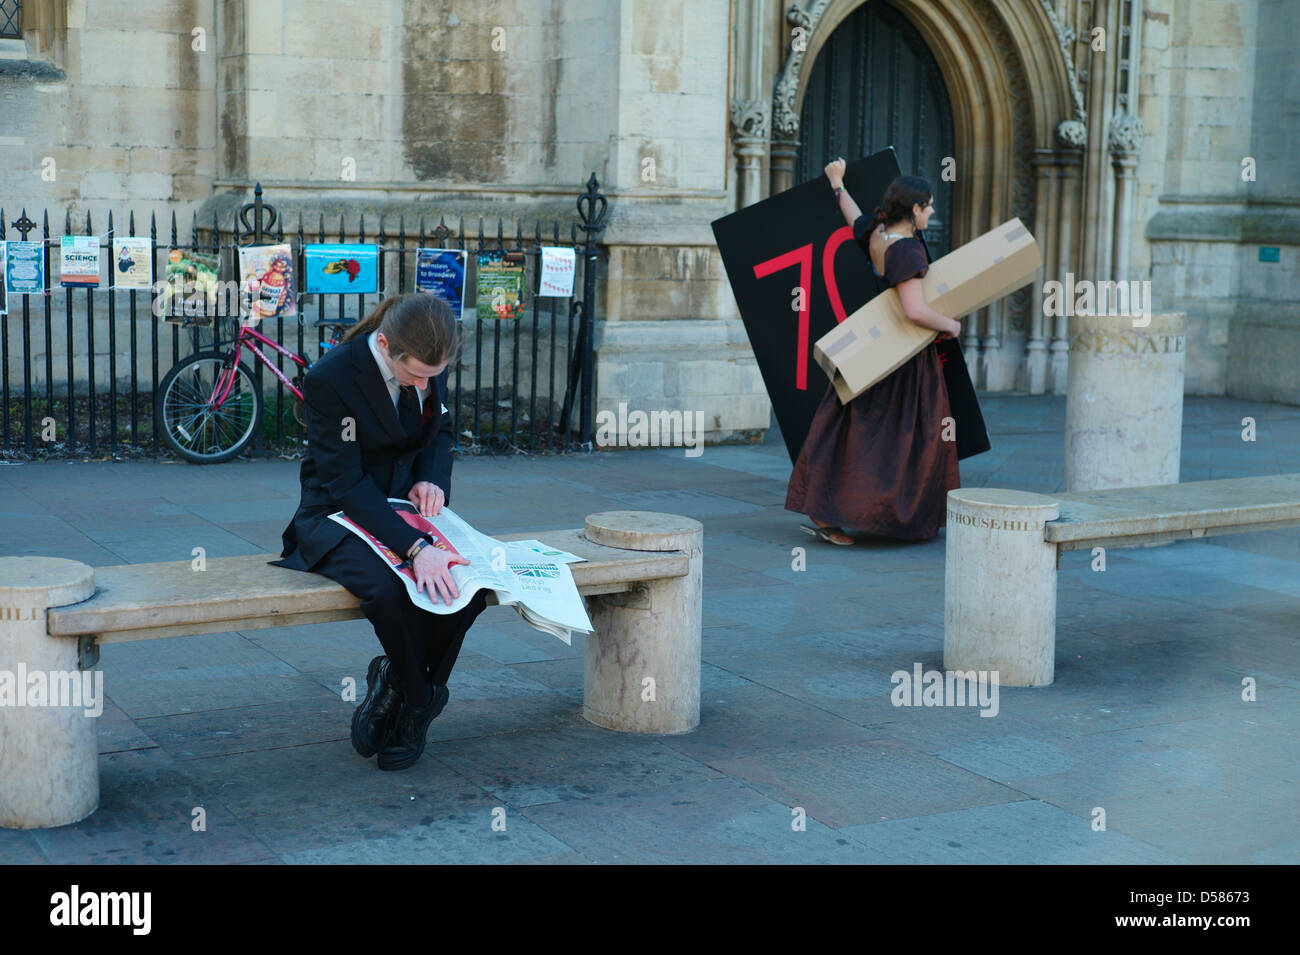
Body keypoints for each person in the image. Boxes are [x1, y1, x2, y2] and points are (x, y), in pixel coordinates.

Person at [270, 292, 488, 772]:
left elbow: (442, 432)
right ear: (386, 344)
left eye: (433, 378)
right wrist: (415, 548)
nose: (423, 386)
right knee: (391, 590)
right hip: (336, 512)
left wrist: (433, 479)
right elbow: (345, 481)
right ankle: (418, 703)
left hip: (409, 506)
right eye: (415, 377)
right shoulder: (331, 378)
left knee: (465, 590)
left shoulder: (429, 356)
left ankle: (396, 682)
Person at [785, 162, 961, 545]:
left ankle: (830, 510)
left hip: (875, 350)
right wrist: (949, 325)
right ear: (914, 211)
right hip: (903, 359)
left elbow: (854, 217)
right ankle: (888, 515)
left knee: (855, 430)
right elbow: (914, 310)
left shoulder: (878, 235)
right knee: (904, 438)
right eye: (928, 206)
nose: (932, 212)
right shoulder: (909, 252)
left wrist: (837, 184)